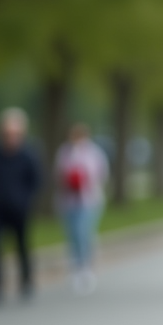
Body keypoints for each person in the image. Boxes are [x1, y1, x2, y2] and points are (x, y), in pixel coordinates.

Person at [0, 107, 41, 303]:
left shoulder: (28, 155)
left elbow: (36, 181)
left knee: (22, 246)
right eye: (7, 134)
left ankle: (26, 282)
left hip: (19, 210)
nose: (11, 138)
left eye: (15, 134)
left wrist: (26, 200)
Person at [55, 123, 109, 294]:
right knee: (73, 235)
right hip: (69, 201)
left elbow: (101, 174)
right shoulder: (64, 152)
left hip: (89, 201)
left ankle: (86, 267)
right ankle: (76, 267)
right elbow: (59, 174)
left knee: (83, 233)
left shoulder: (94, 153)